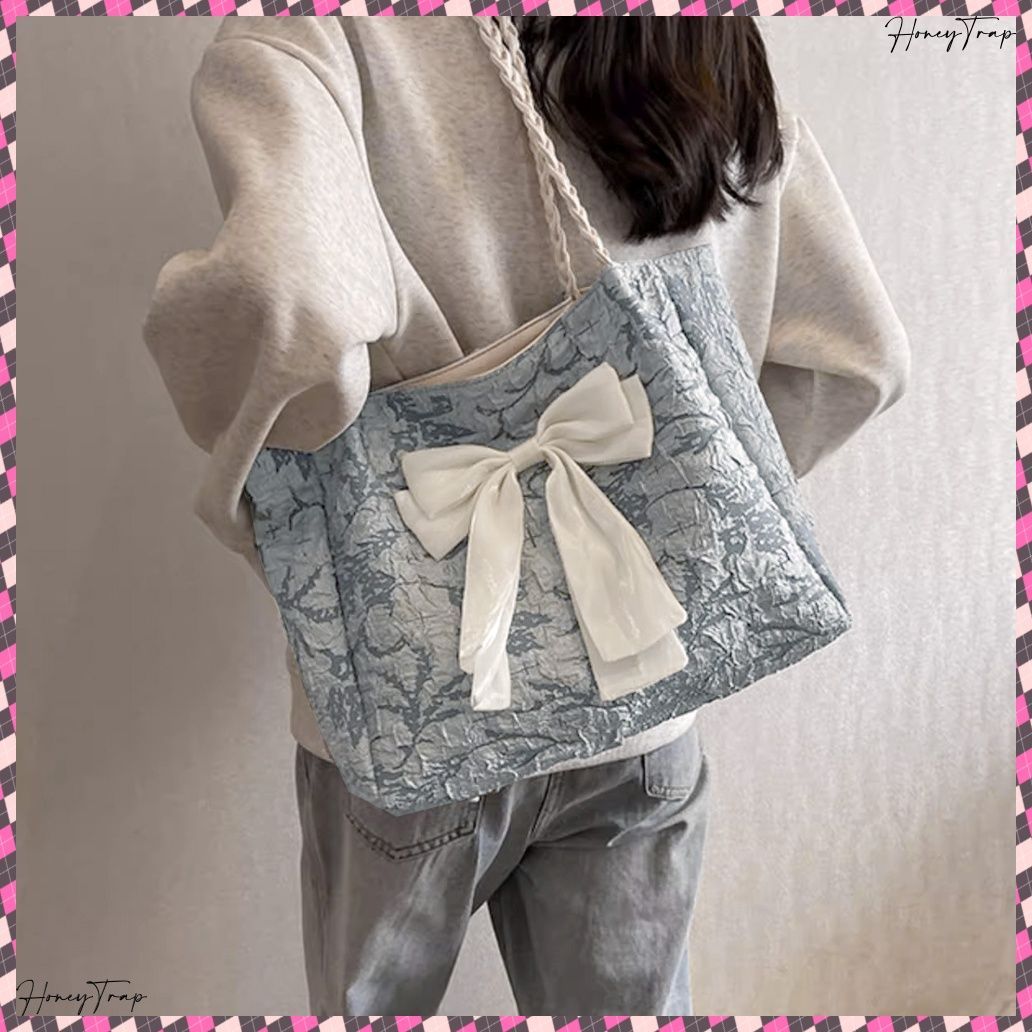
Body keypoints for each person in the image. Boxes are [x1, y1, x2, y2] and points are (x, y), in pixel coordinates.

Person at [141, 15, 910, 1016]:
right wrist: (660, 520)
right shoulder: (704, 43)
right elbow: (859, 360)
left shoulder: (317, 41)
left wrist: (269, 518)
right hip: (643, 706)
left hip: (411, 712)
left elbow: (285, 301)